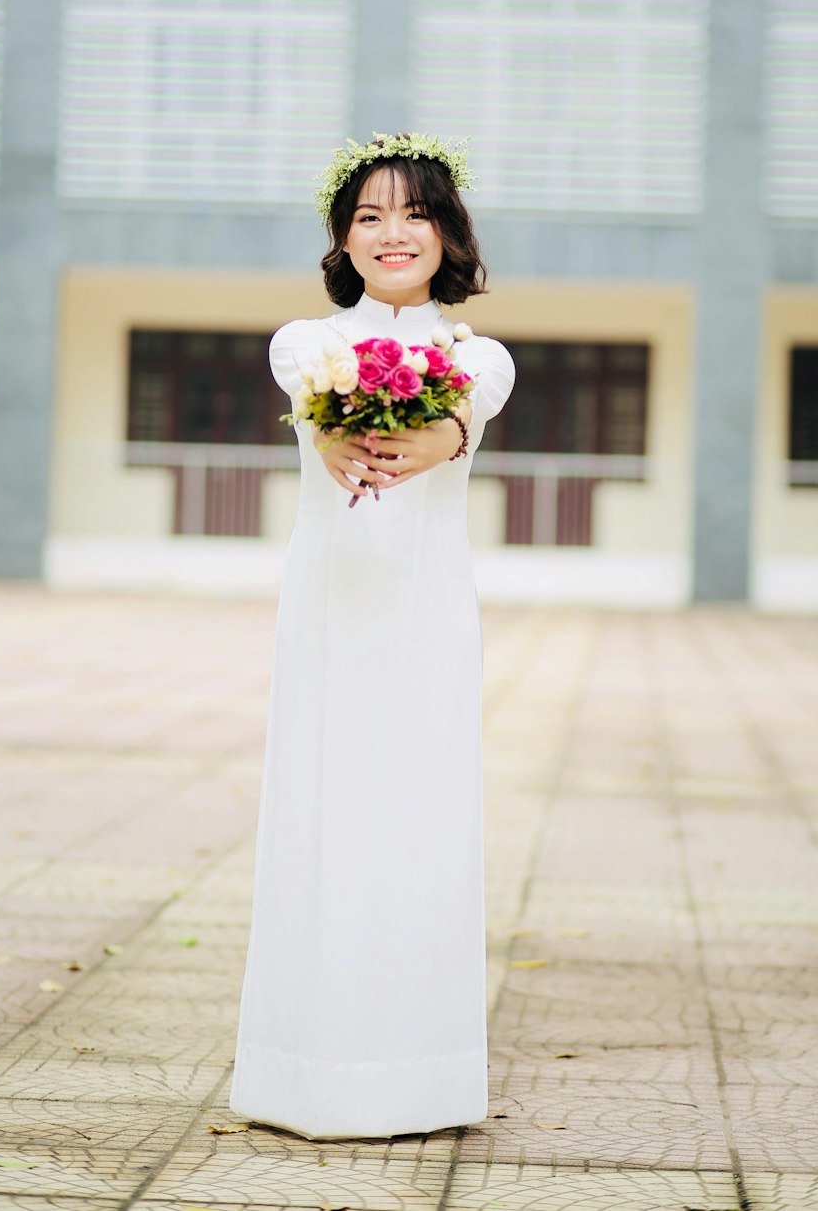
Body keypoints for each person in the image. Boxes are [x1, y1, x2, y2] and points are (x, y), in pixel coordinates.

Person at [228, 132, 516, 1140]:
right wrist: (341, 429)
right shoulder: (303, 344)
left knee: (420, 828)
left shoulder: (479, 358)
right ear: (343, 241)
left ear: (447, 233)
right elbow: (328, 419)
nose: (393, 233)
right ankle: (298, 1076)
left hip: (428, 617)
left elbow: (444, 430)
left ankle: (420, 1079)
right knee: (320, 823)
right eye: (369, 217)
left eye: (413, 213)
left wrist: (422, 432)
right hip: (328, 615)